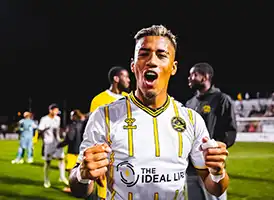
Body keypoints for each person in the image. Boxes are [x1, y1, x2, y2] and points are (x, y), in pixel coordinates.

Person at [69, 25, 229, 200]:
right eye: (143, 54)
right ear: (133, 65)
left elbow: (215, 188)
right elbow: (79, 189)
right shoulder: (104, 116)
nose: (152, 61)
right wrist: (82, 176)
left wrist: (217, 172)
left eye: (161, 55)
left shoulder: (191, 119)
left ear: (173, 67)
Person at [186, 62, 237, 200]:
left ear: (205, 77)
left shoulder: (221, 99)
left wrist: (215, 150)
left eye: (194, 74)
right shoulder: (190, 103)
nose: (189, 77)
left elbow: (231, 131)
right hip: (190, 168)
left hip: (210, 167)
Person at [89, 66, 131, 199]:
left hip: (128, 158)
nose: (129, 80)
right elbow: (93, 133)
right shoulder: (99, 100)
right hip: (107, 159)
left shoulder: (129, 99)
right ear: (116, 79)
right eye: (126, 77)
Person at [38, 103, 69, 188]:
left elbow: (58, 129)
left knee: (62, 159)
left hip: (57, 142)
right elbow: (40, 130)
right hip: (48, 143)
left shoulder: (57, 119)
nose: (56, 112)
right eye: (55, 110)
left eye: (57, 111)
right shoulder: (44, 119)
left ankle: (62, 177)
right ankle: (46, 180)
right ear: (50, 110)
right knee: (48, 162)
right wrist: (46, 129)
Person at [57, 109, 87, 192]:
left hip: (72, 150)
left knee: (71, 170)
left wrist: (60, 145)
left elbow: (70, 138)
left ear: (74, 116)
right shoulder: (84, 125)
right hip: (82, 150)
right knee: (80, 169)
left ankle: (72, 188)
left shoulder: (72, 125)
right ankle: (82, 188)